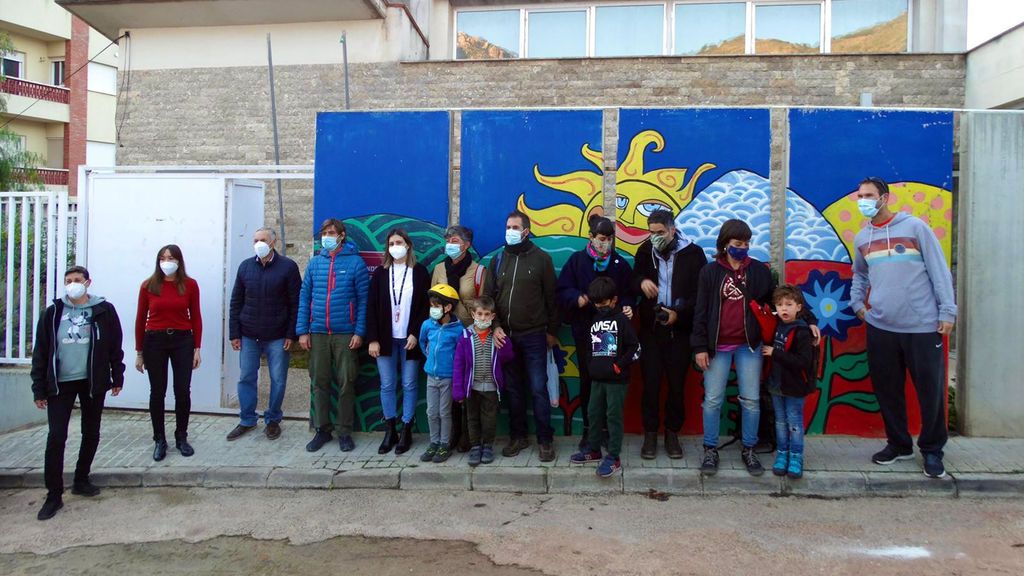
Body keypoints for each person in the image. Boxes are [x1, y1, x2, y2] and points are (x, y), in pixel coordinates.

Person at [850, 177, 957, 479]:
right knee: (888, 390)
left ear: (885, 197)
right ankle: (899, 444)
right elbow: (859, 275)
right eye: (859, 196)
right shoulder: (863, 238)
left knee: (930, 392)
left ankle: (933, 450)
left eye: (868, 195)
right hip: (881, 326)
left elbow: (939, 269)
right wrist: (858, 305)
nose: (863, 201)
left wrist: (948, 311)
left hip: (923, 327)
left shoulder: (915, 228)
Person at [30, 266, 125, 521]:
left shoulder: (103, 310)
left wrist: (118, 375)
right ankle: (54, 495)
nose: (73, 284)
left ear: (88, 282)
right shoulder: (53, 313)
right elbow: (41, 351)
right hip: (61, 384)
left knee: (91, 431)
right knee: (56, 436)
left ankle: (81, 479)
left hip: (92, 381)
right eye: (68, 280)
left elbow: (115, 344)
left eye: (77, 280)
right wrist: (38, 387)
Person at [691, 220, 771, 477]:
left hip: (749, 346)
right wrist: (700, 347)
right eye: (737, 244)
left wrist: (809, 320)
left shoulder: (758, 271)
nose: (743, 248)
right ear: (725, 244)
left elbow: (776, 300)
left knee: (751, 400)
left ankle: (749, 448)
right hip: (717, 346)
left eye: (747, 244)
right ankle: (710, 449)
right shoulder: (710, 272)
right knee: (712, 400)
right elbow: (700, 311)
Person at [631, 209, 707, 460]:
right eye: (651, 233)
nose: (655, 238)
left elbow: (701, 295)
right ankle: (650, 435)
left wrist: (678, 314)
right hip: (651, 330)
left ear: (672, 230)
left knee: (676, 386)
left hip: (679, 331)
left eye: (660, 233)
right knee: (650, 385)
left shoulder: (694, 254)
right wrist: (641, 281)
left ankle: (672, 434)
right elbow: (633, 279)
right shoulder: (645, 251)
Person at [556, 215, 635, 452]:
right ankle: (590, 431)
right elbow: (562, 289)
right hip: (585, 332)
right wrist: (576, 298)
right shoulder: (577, 261)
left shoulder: (620, 264)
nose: (605, 243)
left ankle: (608, 432)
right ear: (591, 237)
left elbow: (630, 293)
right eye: (601, 239)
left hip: (612, 334)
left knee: (611, 381)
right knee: (588, 380)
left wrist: (630, 306)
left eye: (609, 239)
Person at [489, 210, 559, 462]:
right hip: (505, 337)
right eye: (508, 226)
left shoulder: (542, 259)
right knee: (513, 390)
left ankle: (545, 440)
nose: (510, 231)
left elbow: (552, 298)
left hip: (534, 336)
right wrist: (495, 325)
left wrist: (552, 332)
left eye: (515, 227)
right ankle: (518, 437)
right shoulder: (498, 260)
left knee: (538, 388)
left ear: (526, 231)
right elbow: (489, 298)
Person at [298, 218, 369, 453]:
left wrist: (359, 332)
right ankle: (322, 429)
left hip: (345, 333)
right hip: (317, 332)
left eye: (331, 232)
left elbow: (363, 302)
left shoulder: (356, 263)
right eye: (324, 232)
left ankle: (344, 431)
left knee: (346, 382)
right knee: (319, 381)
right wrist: (302, 331)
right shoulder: (315, 263)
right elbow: (304, 298)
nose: (327, 236)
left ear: (341, 235)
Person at [226, 227, 301, 441]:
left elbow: (295, 303)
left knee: (278, 378)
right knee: (246, 377)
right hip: (249, 334)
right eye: (256, 239)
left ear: (273, 243)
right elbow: (236, 302)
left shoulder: (288, 267)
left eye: (263, 239)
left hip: (278, 336)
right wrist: (234, 333)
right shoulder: (245, 267)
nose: (259, 243)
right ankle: (247, 419)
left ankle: (273, 419)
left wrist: (291, 334)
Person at [366, 228, 430, 455]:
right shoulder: (381, 274)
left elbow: (425, 307)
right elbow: (371, 308)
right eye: (391, 243)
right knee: (386, 384)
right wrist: (372, 339)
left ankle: (406, 429)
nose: (395, 246)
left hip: (409, 339)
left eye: (399, 242)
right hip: (384, 339)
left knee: (410, 383)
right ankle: (390, 428)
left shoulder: (420, 272)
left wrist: (415, 333)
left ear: (408, 245)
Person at [135, 244, 202, 461]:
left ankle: (181, 437)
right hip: (154, 340)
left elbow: (196, 317)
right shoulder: (148, 285)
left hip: (182, 339)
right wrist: (139, 351)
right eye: (163, 258)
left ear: (179, 260)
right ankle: (159, 439)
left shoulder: (190, 285)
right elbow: (140, 319)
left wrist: (197, 348)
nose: (167, 261)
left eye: (171, 257)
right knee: (158, 392)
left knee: (182, 390)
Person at [569, 277, 640, 478]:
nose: (600, 307)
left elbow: (635, 348)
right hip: (597, 379)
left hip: (617, 381)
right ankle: (593, 450)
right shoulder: (595, 320)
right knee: (593, 414)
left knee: (613, 417)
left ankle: (614, 457)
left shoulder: (622, 321)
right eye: (596, 303)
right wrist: (592, 368)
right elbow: (592, 347)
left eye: (604, 303)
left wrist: (619, 366)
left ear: (614, 300)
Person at [430, 225, 488, 452]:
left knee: (467, 384)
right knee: (448, 384)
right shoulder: (438, 269)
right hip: (444, 335)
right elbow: (433, 299)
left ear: (466, 245)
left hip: (468, 335)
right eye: (448, 240)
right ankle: (451, 433)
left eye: (454, 240)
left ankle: (469, 434)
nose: (450, 244)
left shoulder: (478, 271)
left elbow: (483, 303)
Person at [452, 296, 515, 467]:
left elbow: (508, 357)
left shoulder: (496, 336)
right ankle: (475, 447)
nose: (483, 318)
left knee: (490, 418)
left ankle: (487, 446)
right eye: (479, 314)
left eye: (487, 315)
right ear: (473, 314)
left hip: (492, 387)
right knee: (472, 418)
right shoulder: (465, 336)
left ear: (493, 317)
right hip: (471, 387)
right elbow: (458, 365)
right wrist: (457, 390)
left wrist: (504, 342)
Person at [762, 285, 815, 479]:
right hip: (776, 385)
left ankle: (796, 456)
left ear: (799, 307)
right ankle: (782, 454)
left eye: (789, 304)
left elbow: (803, 361)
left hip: (794, 387)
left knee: (794, 423)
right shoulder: (778, 325)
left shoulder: (801, 332)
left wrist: (775, 353)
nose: (784, 309)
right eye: (780, 304)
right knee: (780, 422)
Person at [417, 284, 464, 463]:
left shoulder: (458, 330)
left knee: (445, 412)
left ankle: (445, 444)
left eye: (436, 306)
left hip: (447, 377)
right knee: (431, 411)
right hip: (431, 375)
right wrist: (429, 357)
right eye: (431, 306)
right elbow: (423, 342)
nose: (433, 309)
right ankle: (433, 442)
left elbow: (461, 354)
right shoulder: (427, 325)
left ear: (448, 307)